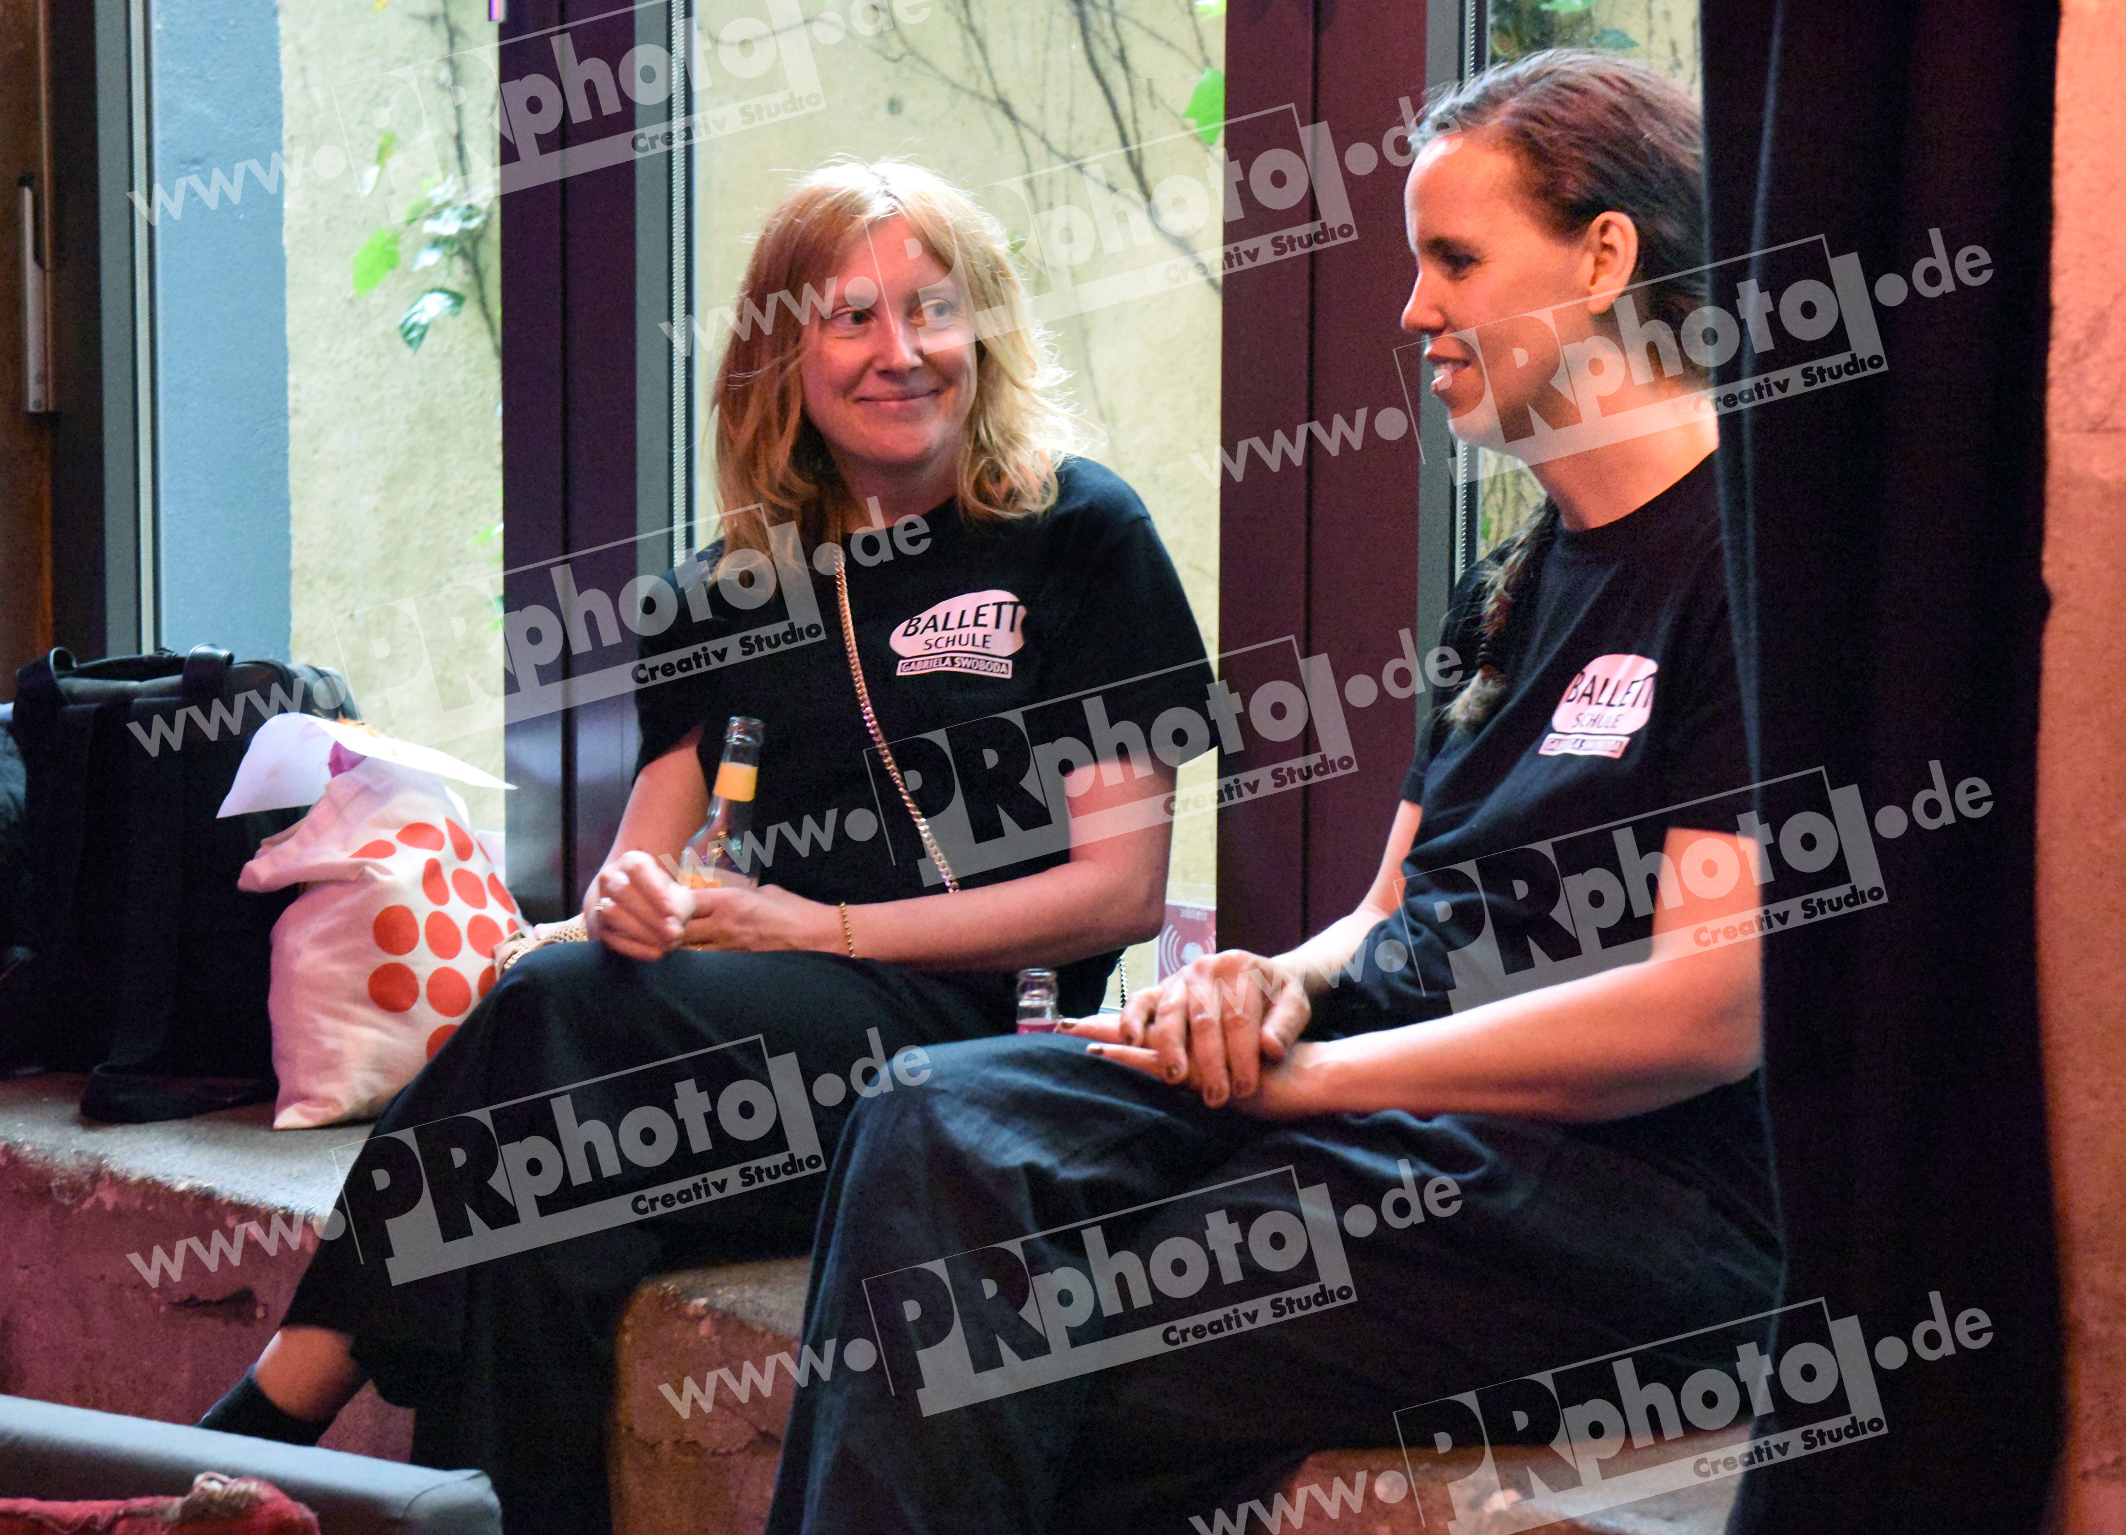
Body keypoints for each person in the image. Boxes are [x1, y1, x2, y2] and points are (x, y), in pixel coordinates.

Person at [764, 51, 1781, 1535]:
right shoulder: (1509, 585)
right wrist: (1260, 989)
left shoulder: (1750, 570)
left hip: (1619, 1195)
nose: (1413, 311)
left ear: (1604, 257)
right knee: (932, 1113)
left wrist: (1307, 1078)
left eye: (1454, 260)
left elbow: (1703, 1014)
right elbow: (1388, 911)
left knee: (981, 1358)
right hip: (1395, 1105)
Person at [197, 160, 1214, 1534]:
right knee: (541, 1211)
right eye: (852, 317)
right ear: (783, 354)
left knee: (549, 1028)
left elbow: (1118, 893)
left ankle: (273, 1414)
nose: (901, 351)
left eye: (933, 309)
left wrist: (824, 928)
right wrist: (636, 898)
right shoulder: (726, 588)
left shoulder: (1080, 532)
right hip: (749, 1068)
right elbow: (639, 873)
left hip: (976, 1060)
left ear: (985, 328)